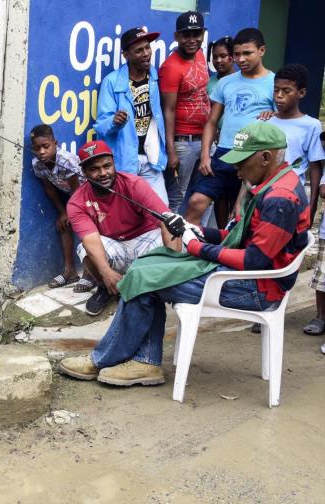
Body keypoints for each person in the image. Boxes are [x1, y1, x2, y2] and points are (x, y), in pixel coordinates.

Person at [59, 122, 310, 386]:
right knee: (147, 268)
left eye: (242, 162)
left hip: (255, 289)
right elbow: (240, 240)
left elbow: (254, 260)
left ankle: (107, 359)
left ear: (266, 157)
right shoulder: (277, 184)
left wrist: (197, 247)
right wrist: (197, 230)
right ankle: (143, 362)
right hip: (248, 278)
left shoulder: (279, 199)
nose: (237, 170)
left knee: (144, 279)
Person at [66, 140, 172, 316]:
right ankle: (107, 288)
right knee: (84, 249)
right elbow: (90, 239)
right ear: (84, 172)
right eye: (94, 169)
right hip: (115, 246)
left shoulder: (134, 184)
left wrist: (173, 268)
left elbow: (166, 221)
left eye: (107, 166)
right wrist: (106, 272)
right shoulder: (76, 202)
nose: (103, 173)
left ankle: (156, 287)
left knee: (176, 232)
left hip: (144, 242)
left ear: (114, 164)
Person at [188, 28, 275, 226]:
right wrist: (205, 156)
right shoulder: (226, 82)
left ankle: (229, 253)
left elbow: (283, 120)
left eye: (247, 53)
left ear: (262, 50)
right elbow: (211, 122)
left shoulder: (274, 83)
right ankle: (183, 252)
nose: (241, 59)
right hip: (223, 153)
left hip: (252, 157)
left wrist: (273, 114)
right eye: (237, 54)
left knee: (240, 215)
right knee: (196, 202)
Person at [263, 65, 325, 335]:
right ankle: (262, 307)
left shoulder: (311, 126)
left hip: (292, 202)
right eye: (276, 90)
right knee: (264, 254)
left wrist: (310, 211)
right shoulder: (267, 121)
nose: (279, 96)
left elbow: (314, 169)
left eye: (286, 91)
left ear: (301, 93)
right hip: (264, 200)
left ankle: (284, 307)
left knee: (287, 256)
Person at [95, 27, 169, 205]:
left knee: (162, 211)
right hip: (125, 160)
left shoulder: (154, 77)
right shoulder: (112, 82)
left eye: (147, 48)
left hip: (151, 159)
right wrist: (114, 122)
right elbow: (101, 125)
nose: (146, 54)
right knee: (127, 211)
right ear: (126, 55)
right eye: (139, 50)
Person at [29, 124, 90, 290]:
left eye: (46, 146)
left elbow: (78, 190)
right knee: (63, 225)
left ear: (55, 143)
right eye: (37, 148)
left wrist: (70, 211)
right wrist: (62, 212)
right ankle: (69, 271)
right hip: (71, 198)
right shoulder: (38, 164)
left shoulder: (66, 161)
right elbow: (49, 188)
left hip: (87, 195)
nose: (41, 152)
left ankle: (89, 274)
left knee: (85, 228)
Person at [160, 11, 210, 213]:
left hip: (205, 140)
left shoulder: (200, 55)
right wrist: (171, 150)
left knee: (205, 195)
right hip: (183, 143)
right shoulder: (170, 67)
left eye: (196, 34)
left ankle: (198, 241)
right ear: (176, 36)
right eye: (186, 35)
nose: (192, 40)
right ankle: (171, 243)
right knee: (177, 198)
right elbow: (168, 110)